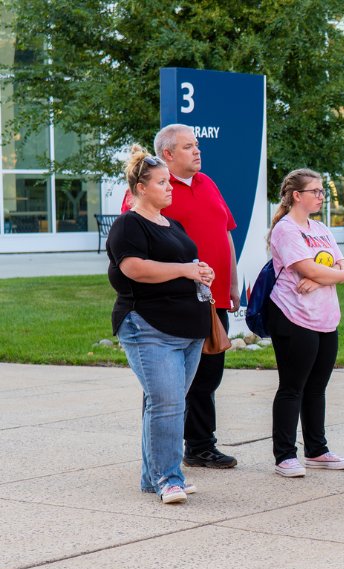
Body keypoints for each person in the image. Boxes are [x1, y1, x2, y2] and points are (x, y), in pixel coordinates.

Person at [122, 124, 240, 469]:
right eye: (189, 146)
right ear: (168, 154)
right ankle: (160, 460)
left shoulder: (208, 184)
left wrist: (232, 284)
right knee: (165, 387)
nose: (197, 151)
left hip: (211, 298)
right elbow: (135, 253)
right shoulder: (150, 194)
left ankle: (201, 445)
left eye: (197, 145)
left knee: (207, 376)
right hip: (170, 304)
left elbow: (226, 233)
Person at [107, 146, 213, 504]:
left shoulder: (173, 225)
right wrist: (185, 270)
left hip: (188, 328)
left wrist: (201, 272)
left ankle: (153, 478)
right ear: (141, 188)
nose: (170, 187)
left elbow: (185, 263)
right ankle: (169, 478)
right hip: (148, 325)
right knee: (167, 403)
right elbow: (133, 268)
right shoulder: (128, 225)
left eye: (169, 181)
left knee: (167, 404)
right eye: (162, 182)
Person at [266, 169, 344, 478]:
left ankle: (316, 450)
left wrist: (320, 280)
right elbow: (305, 268)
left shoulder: (320, 228)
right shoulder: (286, 229)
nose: (320, 196)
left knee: (317, 387)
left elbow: (343, 270)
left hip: (326, 318)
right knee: (293, 386)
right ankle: (284, 456)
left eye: (321, 191)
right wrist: (323, 276)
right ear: (296, 196)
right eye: (315, 191)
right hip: (294, 316)